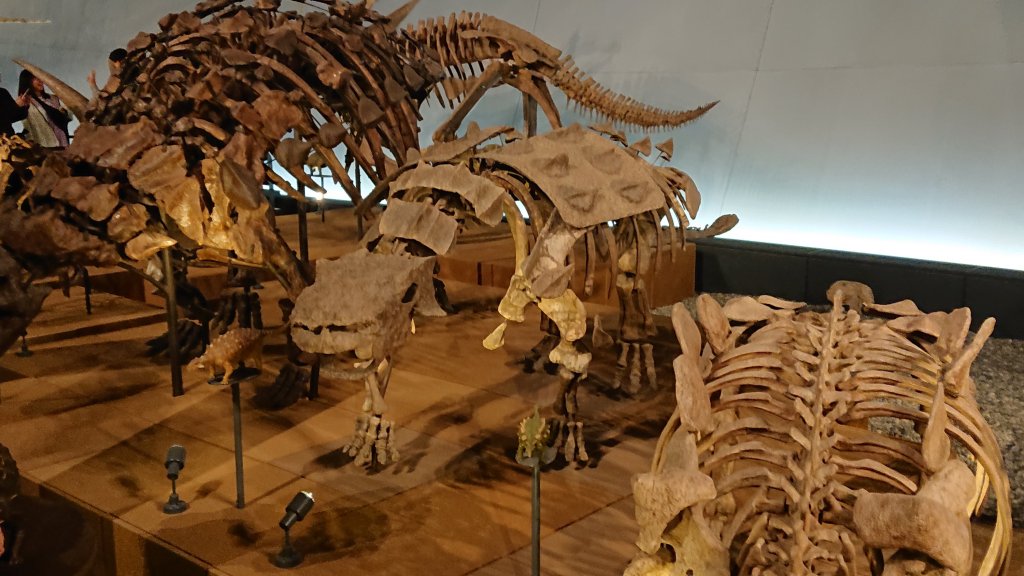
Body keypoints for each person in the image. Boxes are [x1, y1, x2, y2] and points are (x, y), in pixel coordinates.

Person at [17, 69, 71, 148]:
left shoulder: (53, 98)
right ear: (27, 81)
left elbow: (67, 116)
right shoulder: (25, 101)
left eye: (40, 77)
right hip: (42, 145)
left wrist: (64, 110)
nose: (40, 80)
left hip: (62, 141)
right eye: (35, 78)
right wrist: (18, 105)